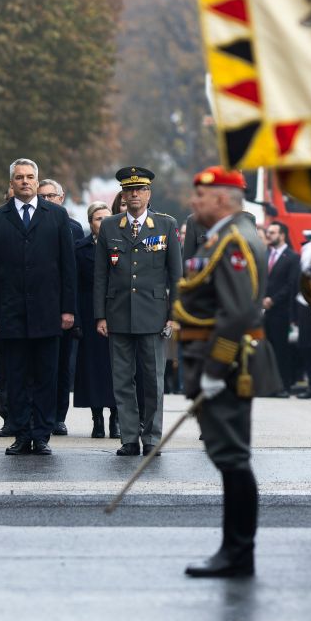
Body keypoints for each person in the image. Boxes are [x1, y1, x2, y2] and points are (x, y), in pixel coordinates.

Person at [173, 167, 268, 577]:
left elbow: (238, 313)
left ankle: (238, 552)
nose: (193, 202)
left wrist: (214, 368)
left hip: (227, 364)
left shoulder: (234, 240)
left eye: (200, 195)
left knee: (232, 457)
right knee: (228, 456)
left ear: (223, 199)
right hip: (213, 358)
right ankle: (234, 549)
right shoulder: (224, 235)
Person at [0, 158, 77, 456]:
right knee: (16, 377)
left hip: (48, 312)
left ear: (37, 180)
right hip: (10, 313)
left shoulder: (57, 216)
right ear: (11, 182)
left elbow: (67, 268)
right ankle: (21, 432)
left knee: (46, 376)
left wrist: (68, 310)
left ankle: (42, 434)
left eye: (30, 177)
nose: (24, 181)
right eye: (19, 177)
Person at [94, 166, 181, 455]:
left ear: (148, 193)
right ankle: (129, 437)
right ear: (123, 194)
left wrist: (174, 315)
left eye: (140, 189)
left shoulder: (166, 225)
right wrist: (100, 315)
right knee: (122, 379)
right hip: (118, 313)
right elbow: (101, 275)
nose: (134, 194)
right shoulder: (110, 226)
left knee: (153, 380)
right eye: (129, 190)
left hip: (154, 315)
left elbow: (175, 275)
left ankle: (152, 437)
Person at [37, 178, 84, 436]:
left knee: (63, 365)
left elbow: (73, 274)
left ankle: (58, 416)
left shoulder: (74, 229)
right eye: (41, 196)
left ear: (61, 197)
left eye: (50, 196)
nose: (46, 201)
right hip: (43, 306)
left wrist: (73, 311)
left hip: (65, 308)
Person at [72, 200, 118, 439]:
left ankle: (116, 419)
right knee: (93, 370)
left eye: (106, 217)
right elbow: (74, 286)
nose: (103, 222)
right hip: (89, 313)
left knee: (117, 369)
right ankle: (97, 419)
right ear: (91, 222)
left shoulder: (121, 245)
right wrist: (77, 320)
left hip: (117, 312)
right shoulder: (80, 248)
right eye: (98, 218)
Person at [260, 220, 302, 396]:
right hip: (264, 311)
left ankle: (283, 386)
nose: (268, 235)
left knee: (280, 350)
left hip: (281, 311)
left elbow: (290, 285)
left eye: (272, 232)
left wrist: (273, 300)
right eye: (268, 232)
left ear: (282, 235)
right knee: (265, 349)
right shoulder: (264, 255)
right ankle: (268, 386)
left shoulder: (292, 257)